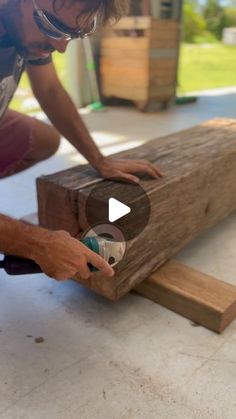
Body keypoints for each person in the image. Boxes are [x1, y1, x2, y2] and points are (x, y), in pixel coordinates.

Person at [0, 0, 162, 281]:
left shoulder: (28, 26)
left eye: (73, 35)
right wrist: (36, 243)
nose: (61, 47)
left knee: (42, 140)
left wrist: (99, 160)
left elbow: (49, 89)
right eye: (53, 26)